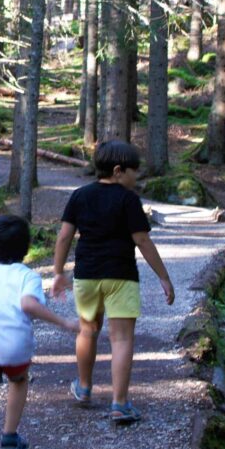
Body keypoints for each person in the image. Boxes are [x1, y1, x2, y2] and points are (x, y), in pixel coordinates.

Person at [51, 140, 175, 424]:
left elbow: (64, 237)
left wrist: (58, 272)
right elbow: (142, 240)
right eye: (135, 171)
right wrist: (164, 277)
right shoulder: (128, 200)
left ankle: (83, 388)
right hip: (121, 276)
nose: (137, 177)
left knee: (87, 331)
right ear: (119, 171)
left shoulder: (80, 196)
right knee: (121, 339)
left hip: (87, 276)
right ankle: (119, 404)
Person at [0, 214, 78, 449]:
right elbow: (28, 304)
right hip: (15, 345)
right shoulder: (29, 276)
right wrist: (65, 323)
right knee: (18, 380)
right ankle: (10, 435)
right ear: (26, 249)